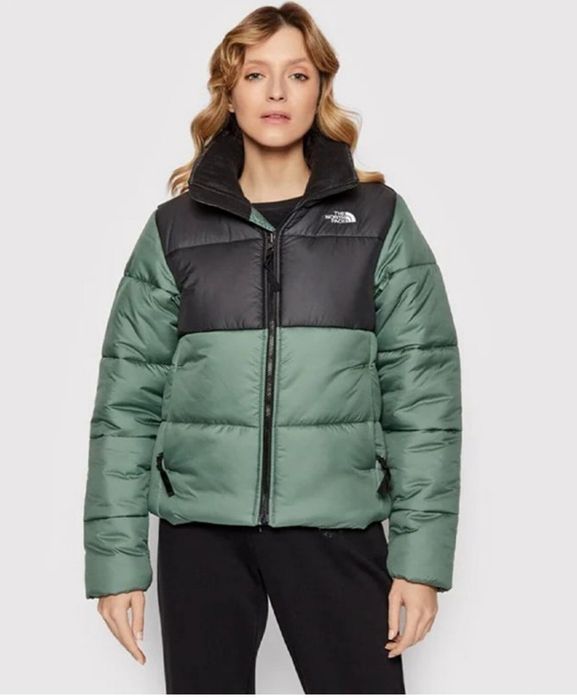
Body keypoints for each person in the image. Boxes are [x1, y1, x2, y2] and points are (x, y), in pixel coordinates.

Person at [82, 2, 462, 694]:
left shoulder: (378, 221)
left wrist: (419, 563)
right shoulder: (175, 230)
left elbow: (424, 400)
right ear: (229, 92)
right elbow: (126, 403)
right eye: (256, 74)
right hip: (202, 532)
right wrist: (117, 563)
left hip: (336, 524)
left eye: (298, 74)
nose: (278, 92)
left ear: (321, 91)